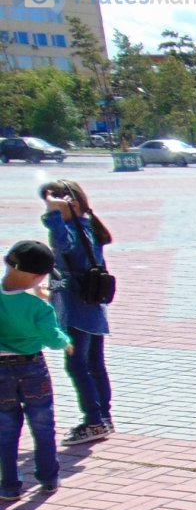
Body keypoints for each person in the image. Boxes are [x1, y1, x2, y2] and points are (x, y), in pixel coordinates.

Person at [39, 179, 114, 445]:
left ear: (73, 203)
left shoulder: (73, 229)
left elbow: (63, 243)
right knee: (95, 364)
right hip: (91, 306)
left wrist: (53, 215)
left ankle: (94, 421)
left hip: (76, 309)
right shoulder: (88, 227)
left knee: (77, 364)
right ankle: (103, 417)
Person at [1, 240, 70, 501]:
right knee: (42, 423)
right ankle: (48, 477)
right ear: (36, 277)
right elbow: (53, 339)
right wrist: (66, 342)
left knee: (5, 428)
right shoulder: (39, 307)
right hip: (31, 365)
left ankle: (8, 485)